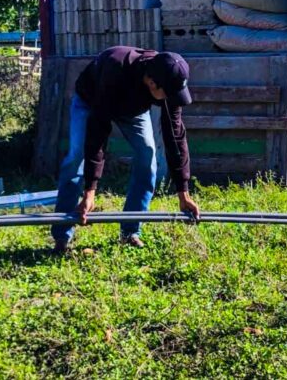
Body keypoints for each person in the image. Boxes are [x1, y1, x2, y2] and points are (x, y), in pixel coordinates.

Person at [52, 46, 201, 253]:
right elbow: (97, 133)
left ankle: (130, 231)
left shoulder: (168, 77)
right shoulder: (116, 69)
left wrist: (183, 192)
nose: (172, 99)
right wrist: (90, 191)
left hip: (133, 109)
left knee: (147, 155)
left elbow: (175, 137)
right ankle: (62, 235)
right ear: (151, 82)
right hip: (92, 101)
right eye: (169, 95)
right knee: (77, 156)